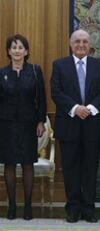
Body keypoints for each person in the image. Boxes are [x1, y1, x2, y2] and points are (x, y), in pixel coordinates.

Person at [51, 29, 100, 223]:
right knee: (70, 169)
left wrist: (91, 108)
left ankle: (88, 209)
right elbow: (56, 92)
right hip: (69, 125)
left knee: (90, 169)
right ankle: (73, 208)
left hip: (93, 125)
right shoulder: (59, 65)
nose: (81, 45)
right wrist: (76, 108)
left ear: (90, 45)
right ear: (71, 44)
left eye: (85, 41)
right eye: (77, 41)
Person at [0, 34, 46, 220]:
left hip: (28, 124)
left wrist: (41, 121)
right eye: (13, 47)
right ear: (8, 52)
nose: (17, 51)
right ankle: (12, 206)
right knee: (9, 164)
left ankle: (28, 206)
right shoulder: (1, 73)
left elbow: (41, 98)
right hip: (6, 125)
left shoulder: (35, 71)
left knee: (28, 163)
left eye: (20, 47)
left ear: (26, 51)